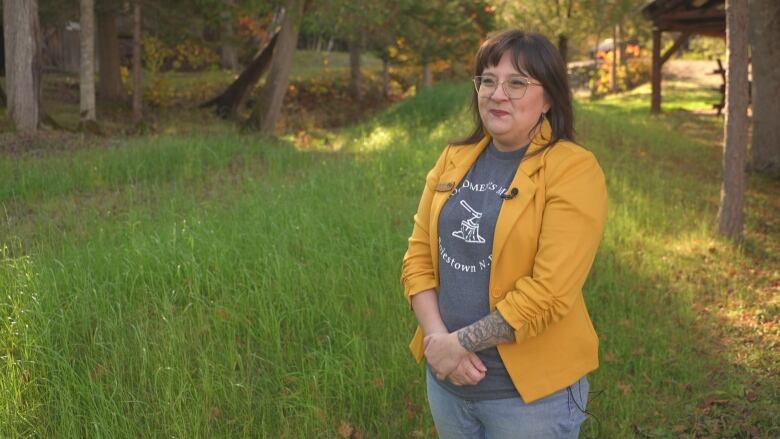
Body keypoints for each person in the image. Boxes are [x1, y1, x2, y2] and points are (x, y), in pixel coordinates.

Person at [400, 29, 608, 438]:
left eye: (517, 83)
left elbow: (549, 292)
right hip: (447, 384)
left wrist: (458, 345)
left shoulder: (572, 169)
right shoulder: (453, 159)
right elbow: (418, 259)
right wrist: (439, 341)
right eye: (488, 80)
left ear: (548, 98)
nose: (498, 94)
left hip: (530, 400)